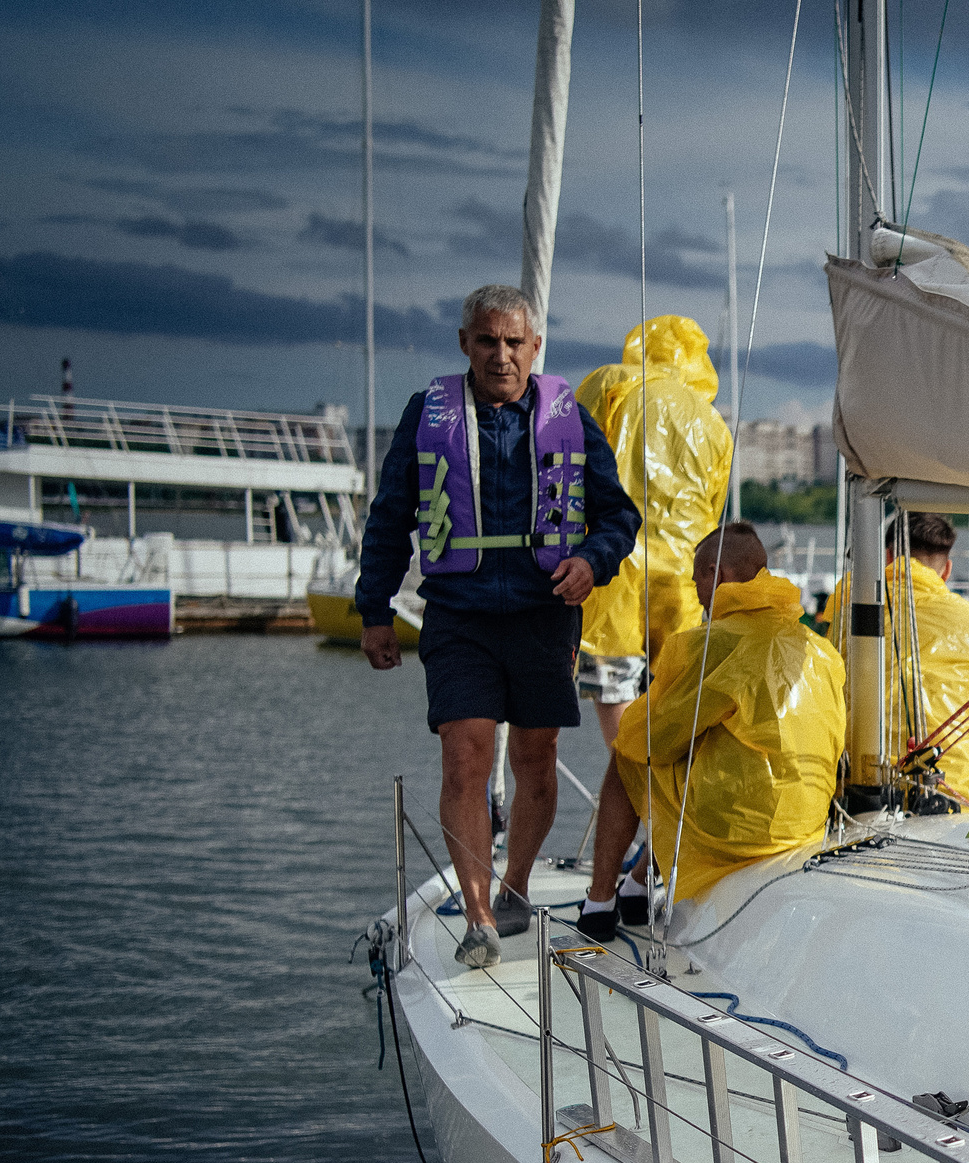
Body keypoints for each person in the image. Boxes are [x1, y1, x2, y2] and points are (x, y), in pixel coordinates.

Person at [357, 283, 640, 970]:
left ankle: (514, 884)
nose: (502, 355)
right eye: (488, 341)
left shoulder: (570, 419)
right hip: (459, 612)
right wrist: (374, 610)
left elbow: (619, 518)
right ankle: (478, 915)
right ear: (466, 344)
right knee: (466, 754)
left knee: (536, 759)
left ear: (535, 347)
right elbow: (391, 515)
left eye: (515, 343)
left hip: (546, 612)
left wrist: (591, 562)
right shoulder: (427, 414)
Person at [578, 522, 848, 938]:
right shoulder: (819, 648)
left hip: (739, 829)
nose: (697, 595)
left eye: (696, 582)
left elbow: (650, 739)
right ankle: (635, 885)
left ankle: (598, 904)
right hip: (807, 821)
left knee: (628, 754)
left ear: (716, 575)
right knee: (704, 750)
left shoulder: (708, 645)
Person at [819, 513, 969, 804]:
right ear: (946, 570)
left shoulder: (847, 616)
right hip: (955, 792)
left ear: (887, 557)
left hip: (852, 788)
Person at [573, 316, 732, 743]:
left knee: (617, 687)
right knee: (674, 697)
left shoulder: (611, 383)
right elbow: (713, 508)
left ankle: (632, 791)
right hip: (682, 577)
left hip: (614, 567)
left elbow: (567, 461)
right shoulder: (713, 421)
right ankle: (663, 800)